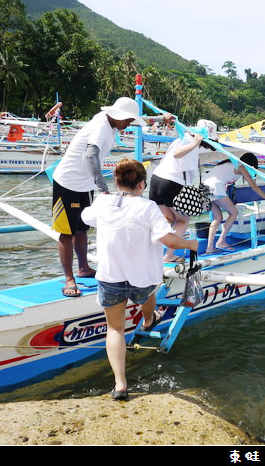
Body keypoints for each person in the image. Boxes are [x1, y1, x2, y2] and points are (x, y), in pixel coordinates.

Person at [81, 158, 198, 400]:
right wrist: (190, 243)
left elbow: (85, 217)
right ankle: (148, 320)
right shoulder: (148, 207)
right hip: (142, 278)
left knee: (115, 329)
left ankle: (120, 384)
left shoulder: (102, 202)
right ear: (142, 184)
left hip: (110, 276)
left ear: (117, 180)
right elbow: (169, 240)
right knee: (148, 296)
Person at [51, 97, 173, 297]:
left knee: (82, 228)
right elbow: (91, 155)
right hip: (68, 182)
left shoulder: (112, 122)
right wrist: (103, 189)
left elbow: (137, 118)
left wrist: (160, 119)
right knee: (67, 232)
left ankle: (84, 268)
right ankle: (69, 279)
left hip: (85, 183)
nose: (129, 125)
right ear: (119, 116)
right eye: (128, 121)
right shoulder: (100, 126)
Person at [149, 119, 216, 263]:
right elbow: (176, 154)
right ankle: (169, 255)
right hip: (171, 182)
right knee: (183, 220)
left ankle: (150, 252)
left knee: (168, 219)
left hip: (156, 180)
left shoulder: (180, 138)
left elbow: (165, 159)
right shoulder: (191, 143)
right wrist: (195, 144)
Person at [203, 153, 265, 253]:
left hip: (204, 188)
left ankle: (209, 248)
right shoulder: (241, 166)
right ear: (250, 164)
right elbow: (253, 186)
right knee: (234, 213)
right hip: (215, 188)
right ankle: (221, 241)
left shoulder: (228, 162)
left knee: (217, 218)